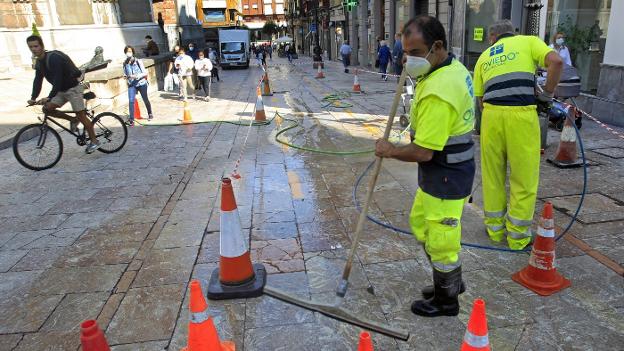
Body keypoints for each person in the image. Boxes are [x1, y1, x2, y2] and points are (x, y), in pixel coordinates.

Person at [374, 15, 476, 318]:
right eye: (405, 52)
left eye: (416, 52)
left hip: (446, 176)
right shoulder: (449, 67)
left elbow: (423, 152)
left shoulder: (439, 90)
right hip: (441, 175)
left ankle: (447, 301)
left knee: (442, 240)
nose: (408, 59)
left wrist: (390, 150)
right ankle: (450, 282)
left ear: (437, 46)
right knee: (421, 223)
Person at [473, 20, 563, 250]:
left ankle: (494, 230)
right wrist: (547, 96)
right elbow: (556, 62)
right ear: (513, 33)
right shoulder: (528, 41)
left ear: (492, 38)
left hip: (491, 116)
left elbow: (480, 101)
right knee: (524, 177)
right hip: (521, 116)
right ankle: (517, 238)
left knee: (492, 175)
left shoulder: (483, 57)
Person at [27, 35, 101, 153]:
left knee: (81, 115)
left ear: (42, 46)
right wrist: (33, 97)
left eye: (36, 46)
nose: (33, 49)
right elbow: (37, 80)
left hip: (73, 88)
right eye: (31, 47)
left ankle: (94, 141)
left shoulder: (53, 58)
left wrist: (49, 96)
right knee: (47, 109)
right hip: (61, 91)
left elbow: (58, 79)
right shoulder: (39, 63)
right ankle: (72, 120)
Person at [123, 46, 154, 125]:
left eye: (130, 51)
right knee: (131, 101)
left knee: (145, 99)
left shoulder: (138, 61)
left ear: (133, 52)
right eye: (127, 51)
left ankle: (150, 113)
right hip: (131, 84)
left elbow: (144, 72)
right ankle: (131, 119)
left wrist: (136, 76)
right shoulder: (125, 63)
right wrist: (125, 77)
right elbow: (125, 73)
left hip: (141, 83)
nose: (128, 53)